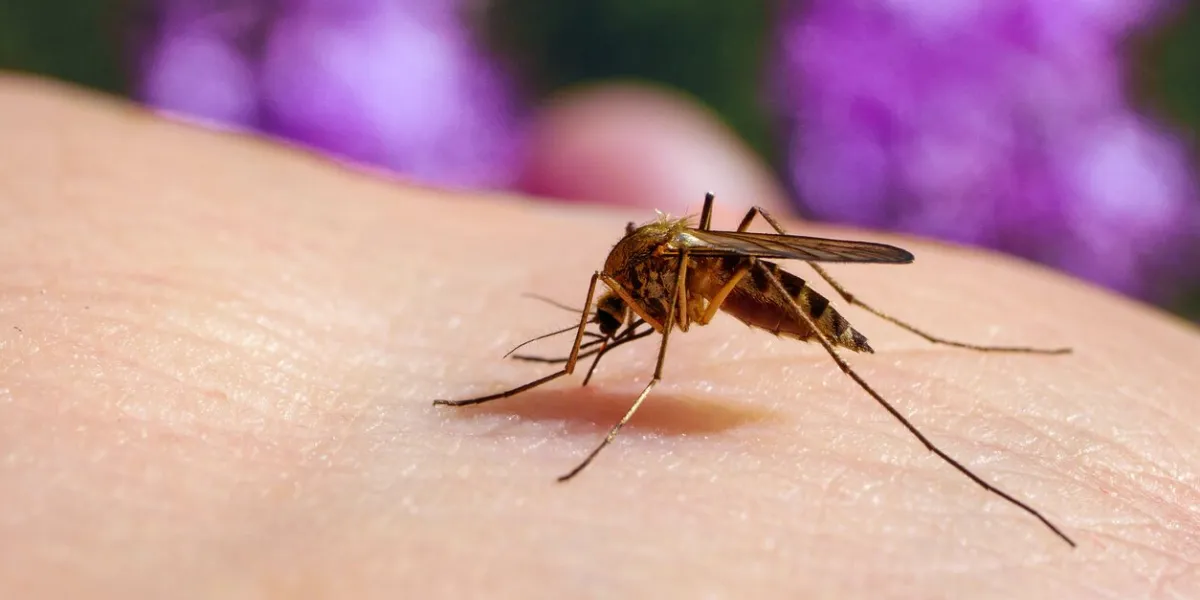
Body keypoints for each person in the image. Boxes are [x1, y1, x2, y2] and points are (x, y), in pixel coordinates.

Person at [2, 73, 1196, 598]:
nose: (614, 323)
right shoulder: (627, 273)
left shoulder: (668, 279)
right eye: (611, 323)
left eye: (612, 320)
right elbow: (621, 300)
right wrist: (580, 353)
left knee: (760, 253)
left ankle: (927, 372)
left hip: (760, 282)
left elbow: (669, 302)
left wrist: (620, 390)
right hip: (707, 264)